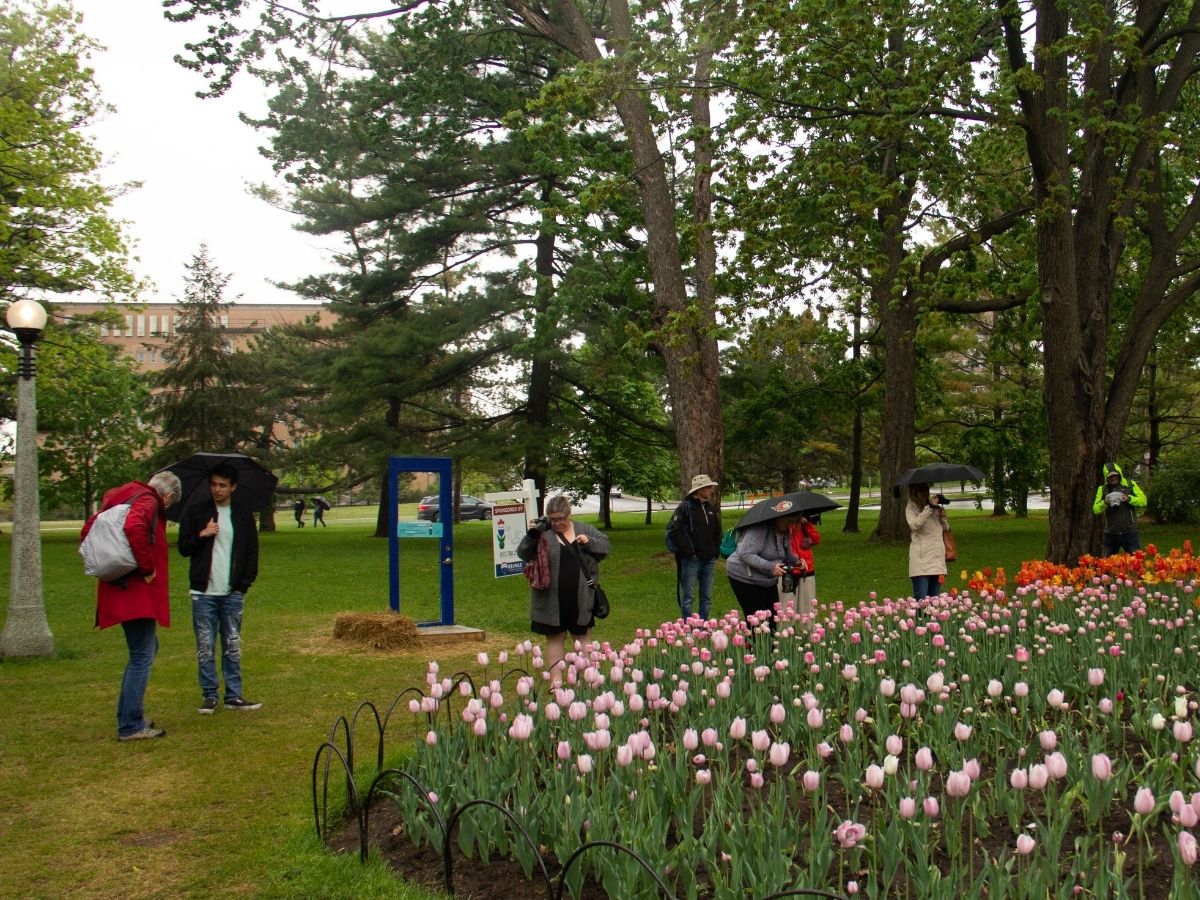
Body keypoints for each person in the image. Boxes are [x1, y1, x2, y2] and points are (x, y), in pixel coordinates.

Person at [82, 470, 182, 741]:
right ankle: (131, 724)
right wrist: (146, 567)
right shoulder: (148, 501)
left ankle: (129, 716)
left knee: (146, 649)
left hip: (120, 587)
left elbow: (88, 529)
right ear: (169, 495)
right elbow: (135, 526)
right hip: (135, 590)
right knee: (142, 654)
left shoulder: (122, 495)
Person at [178, 463, 262, 714]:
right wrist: (202, 534)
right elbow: (183, 548)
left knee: (232, 644)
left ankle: (233, 695)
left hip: (232, 592)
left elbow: (251, 552)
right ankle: (209, 695)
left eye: (222, 485)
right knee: (205, 646)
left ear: (233, 487)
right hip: (203, 592)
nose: (217, 489)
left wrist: (242, 585)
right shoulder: (196, 512)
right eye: (213, 484)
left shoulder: (242, 515)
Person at [516, 496, 611, 685]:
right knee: (555, 638)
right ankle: (556, 683)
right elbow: (523, 553)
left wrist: (589, 542)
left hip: (581, 597)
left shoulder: (585, 529)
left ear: (570, 514)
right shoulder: (543, 533)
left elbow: (605, 547)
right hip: (551, 598)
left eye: (562, 519)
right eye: (553, 519)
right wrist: (532, 535)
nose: (558, 523)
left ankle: (588, 681)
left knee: (583, 639)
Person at [726, 513, 801, 629]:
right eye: (790, 520)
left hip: (767, 578)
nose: (792, 524)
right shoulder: (760, 528)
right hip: (744, 576)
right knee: (757, 621)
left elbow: (784, 553)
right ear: (780, 517)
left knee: (772, 617)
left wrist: (797, 561)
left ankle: (768, 645)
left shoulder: (785, 531)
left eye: (795, 521)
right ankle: (755, 646)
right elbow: (745, 553)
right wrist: (770, 567)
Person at [666, 474, 723, 620]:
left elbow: (717, 531)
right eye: (709, 487)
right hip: (692, 560)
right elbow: (674, 531)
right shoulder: (685, 508)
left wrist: (715, 550)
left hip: (709, 559)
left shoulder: (711, 508)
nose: (711, 490)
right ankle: (687, 626)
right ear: (700, 490)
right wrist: (689, 552)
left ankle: (704, 625)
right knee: (688, 596)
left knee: (707, 596)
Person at [1092, 462, 1147, 556]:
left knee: (1136, 562)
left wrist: (1129, 499)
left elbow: (1143, 501)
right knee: (1107, 565)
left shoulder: (1130, 485)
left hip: (1130, 532)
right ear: (1106, 477)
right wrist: (1105, 503)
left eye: (1115, 476)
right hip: (1111, 533)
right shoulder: (1102, 489)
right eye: (1110, 477)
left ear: (1119, 475)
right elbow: (1096, 509)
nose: (1113, 478)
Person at [906, 483, 947, 600]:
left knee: (935, 602)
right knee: (922, 602)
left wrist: (943, 517)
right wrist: (929, 508)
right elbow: (914, 525)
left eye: (926, 490)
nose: (924, 493)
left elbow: (945, 530)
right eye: (921, 490)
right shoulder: (911, 507)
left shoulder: (934, 508)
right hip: (921, 561)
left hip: (936, 559)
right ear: (914, 492)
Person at [783, 514, 821, 622]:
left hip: (807, 570)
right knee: (787, 608)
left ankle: (807, 634)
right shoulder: (784, 528)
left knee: (807, 607)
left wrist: (807, 524)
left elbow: (816, 539)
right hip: (789, 572)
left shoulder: (805, 526)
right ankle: (786, 634)